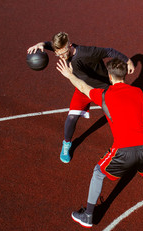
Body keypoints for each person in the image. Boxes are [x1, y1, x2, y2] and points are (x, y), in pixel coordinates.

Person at [56, 58, 143, 228]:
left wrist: (69, 75)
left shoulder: (105, 95)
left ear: (110, 77)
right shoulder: (141, 93)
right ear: (125, 75)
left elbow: (83, 87)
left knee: (98, 172)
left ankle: (88, 215)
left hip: (123, 151)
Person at [27, 32, 136, 163]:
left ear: (70, 45)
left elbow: (109, 51)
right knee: (72, 117)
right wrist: (42, 44)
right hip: (82, 89)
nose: (61, 57)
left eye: (63, 53)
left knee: (114, 116)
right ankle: (66, 144)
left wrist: (128, 61)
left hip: (102, 89)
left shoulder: (87, 53)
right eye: (58, 55)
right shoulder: (62, 50)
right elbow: (53, 46)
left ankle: (130, 137)